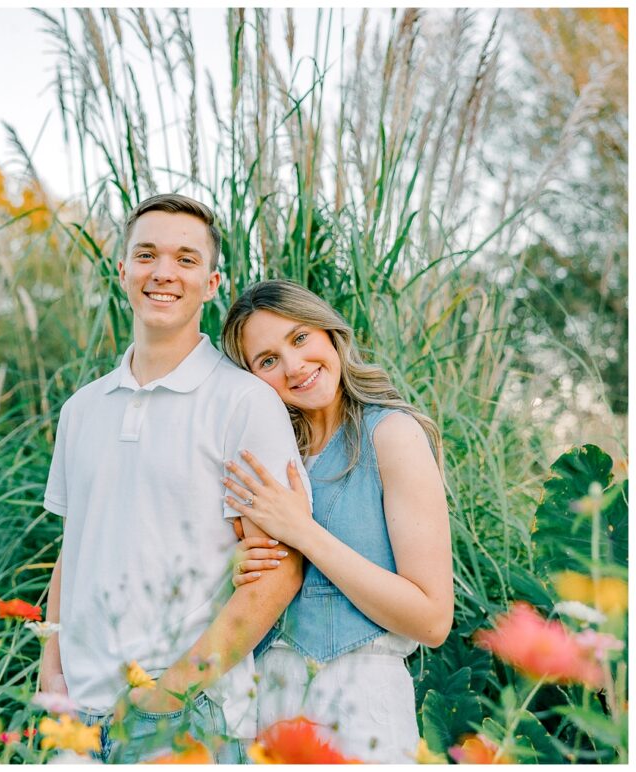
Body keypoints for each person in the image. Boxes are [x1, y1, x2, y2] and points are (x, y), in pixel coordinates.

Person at [40, 195, 312, 763]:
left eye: (186, 260)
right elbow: (75, 547)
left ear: (211, 282)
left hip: (189, 717)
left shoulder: (244, 403)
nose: (163, 272)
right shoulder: (81, 409)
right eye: (147, 254)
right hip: (77, 719)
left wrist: (166, 696)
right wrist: (53, 676)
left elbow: (280, 570)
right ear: (122, 271)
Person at [217, 279, 453, 763]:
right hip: (268, 706)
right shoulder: (270, 454)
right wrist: (233, 566)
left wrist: (303, 532)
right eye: (267, 360)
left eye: (300, 338)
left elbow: (432, 620)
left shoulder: (393, 435)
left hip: (362, 703)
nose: (293, 367)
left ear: (329, 334)